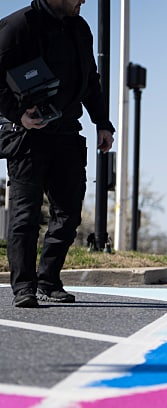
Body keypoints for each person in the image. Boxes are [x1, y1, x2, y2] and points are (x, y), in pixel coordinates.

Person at [0, 0, 114, 308]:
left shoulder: (79, 28)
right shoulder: (17, 26)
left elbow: (90, 80)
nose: (83, 0)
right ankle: (24, 287)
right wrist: (17, 114)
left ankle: (48, 281)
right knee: (26, 216)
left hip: (66, 132)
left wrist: (102, 123)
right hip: (26, 135)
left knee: (69, 213)